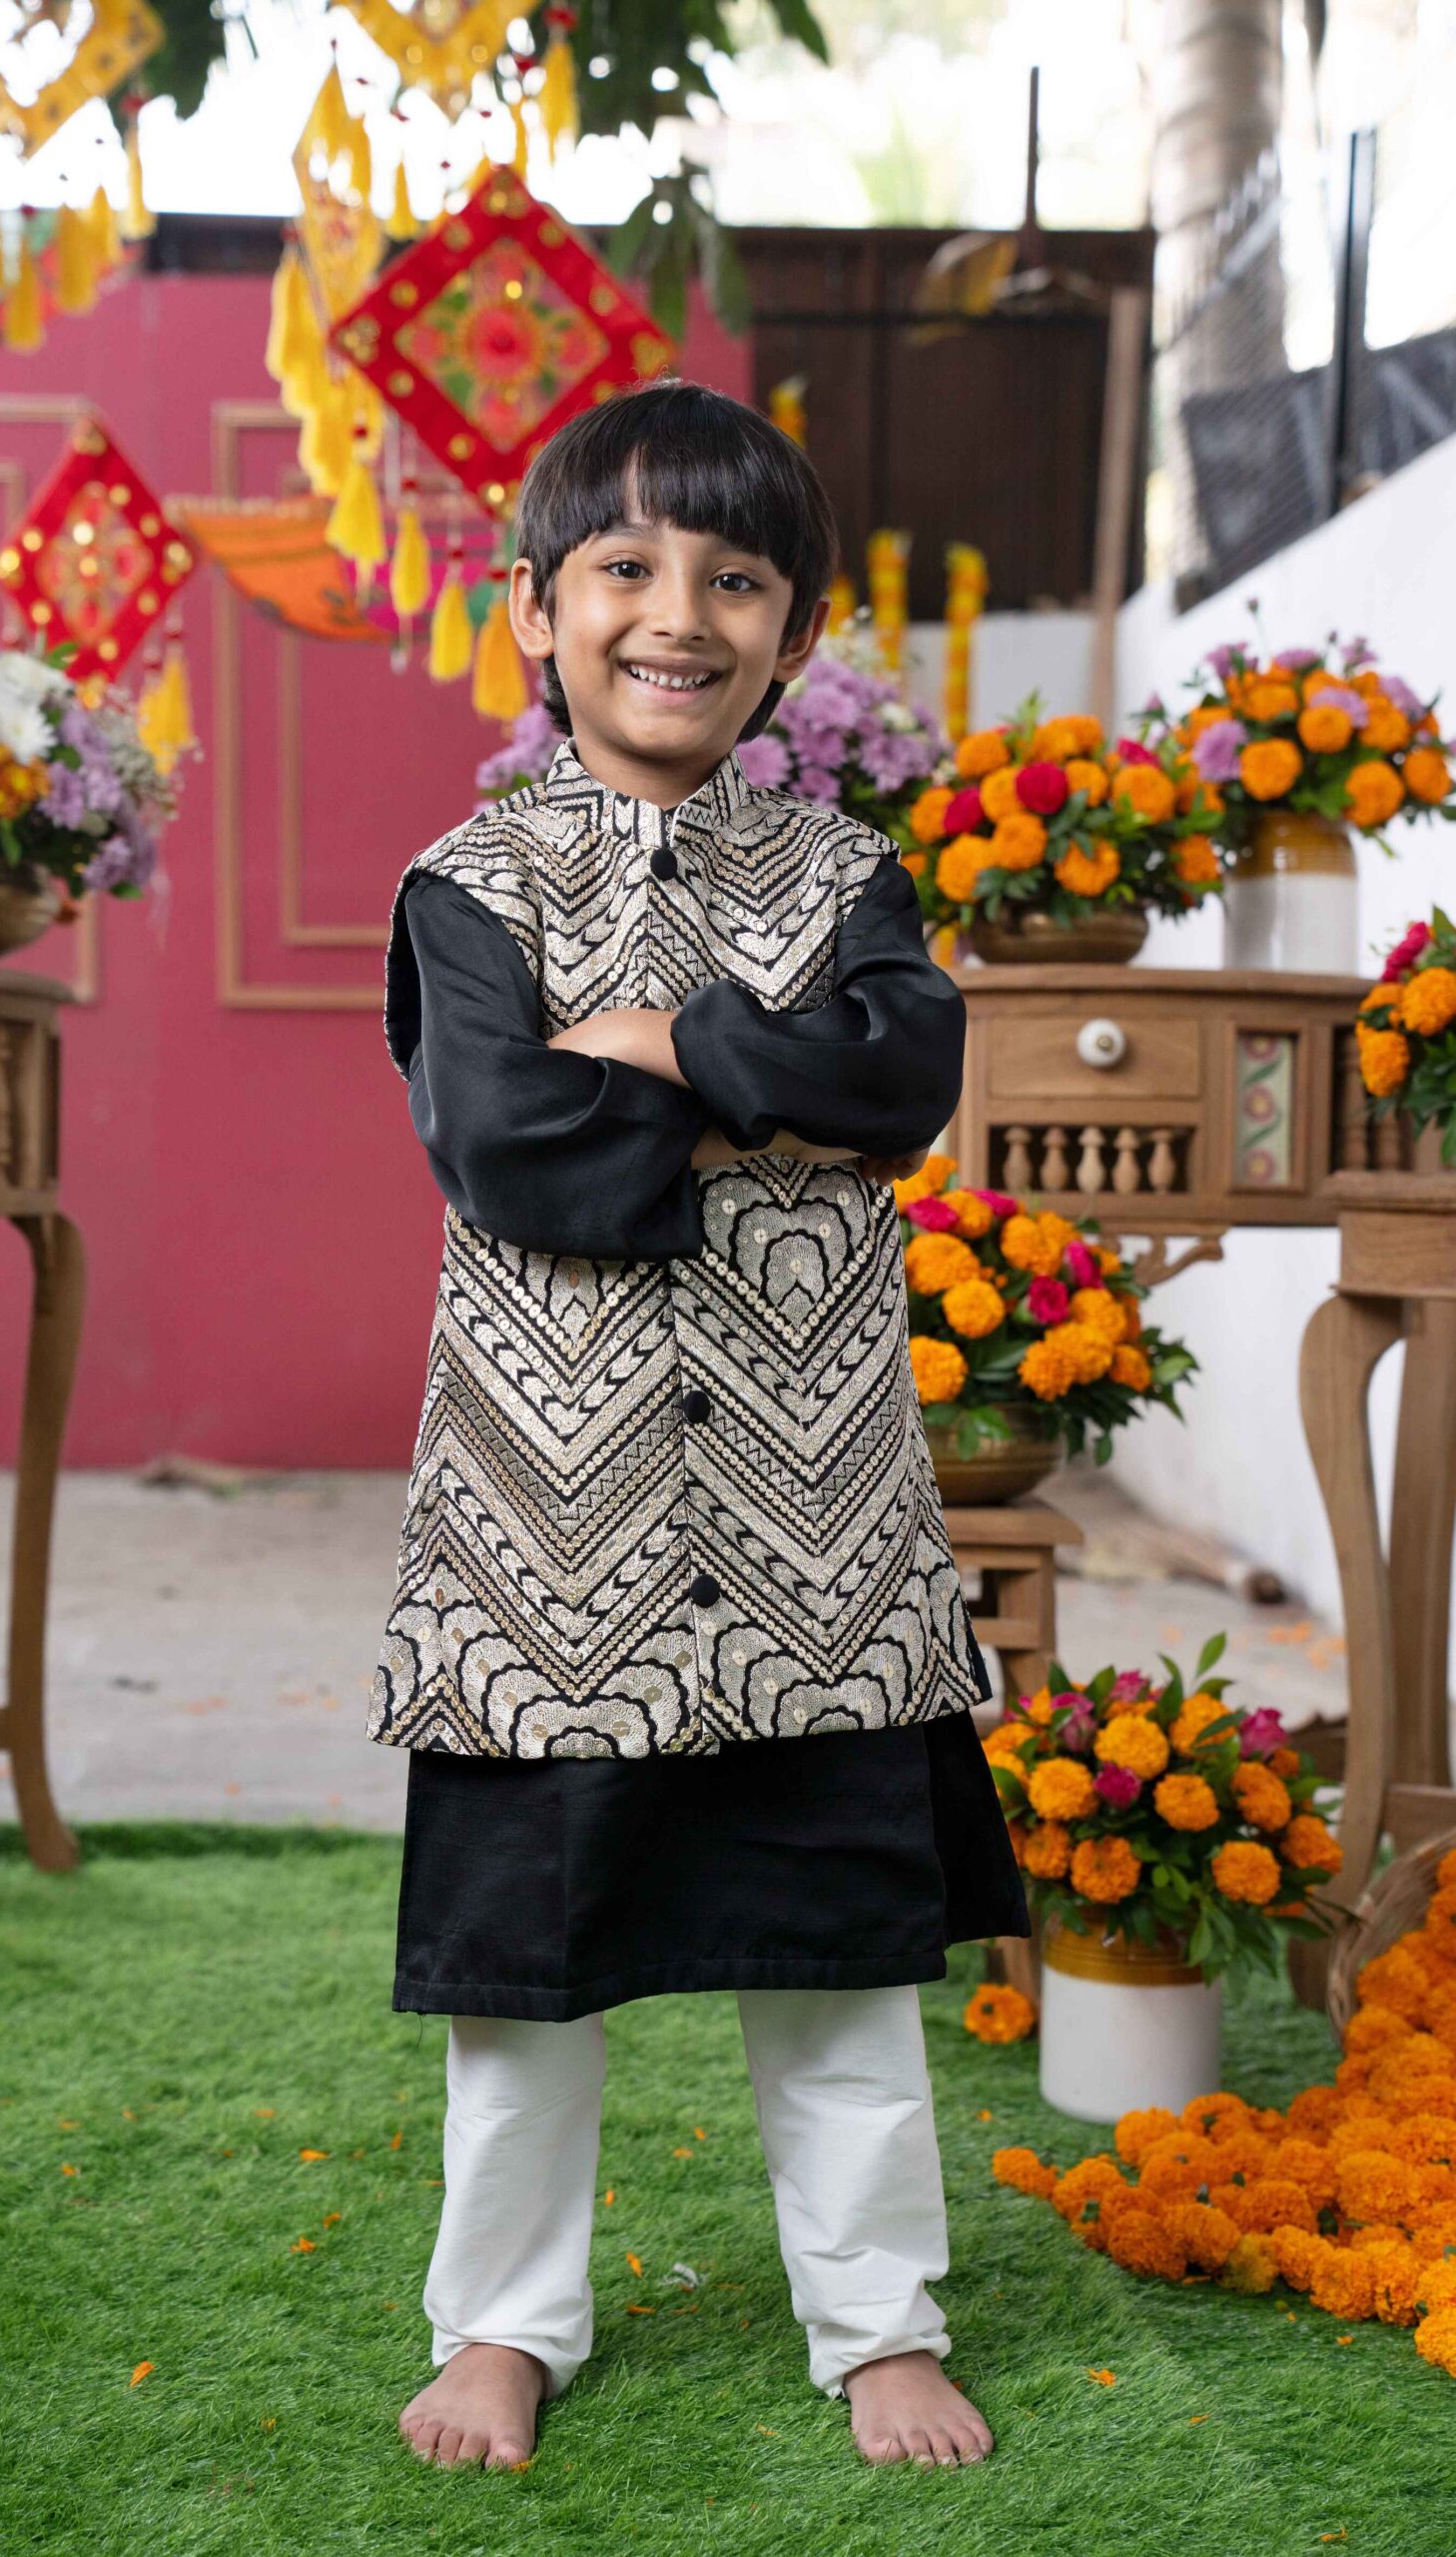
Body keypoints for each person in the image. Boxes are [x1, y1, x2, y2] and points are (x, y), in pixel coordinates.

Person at [370, 378, 1030, 2478]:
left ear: (794, 629)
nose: (680, 613)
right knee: (526, 1980)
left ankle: (876, 2318)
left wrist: (667, 1032)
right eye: (628, 569)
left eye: (734, 577)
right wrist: (775, 1092)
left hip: (813, 1524)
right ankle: (500, 2318)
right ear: (536, 608)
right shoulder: (464, 883)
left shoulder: (846, 870)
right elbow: (513, 1142)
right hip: (543, 1541)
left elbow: (898, 1078)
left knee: (832, 1960)